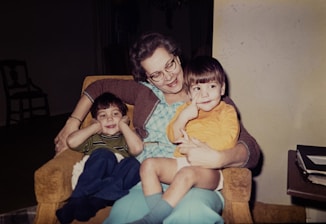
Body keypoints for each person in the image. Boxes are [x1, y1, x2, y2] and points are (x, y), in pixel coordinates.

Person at [54, 32, 261, 223]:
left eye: (170, 64)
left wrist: (219, 158)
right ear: (147, 78)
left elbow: (251, 151)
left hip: (195, 181)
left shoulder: (207, 95)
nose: (168, 77)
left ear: (177, 57)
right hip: (147, 182)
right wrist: (72, 122)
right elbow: (97, 87)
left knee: (192, 216)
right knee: (122, 216)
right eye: (156, 74)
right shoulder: (144, 93)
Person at [131, 56, 240, 224]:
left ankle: (151, 220)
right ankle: (158, 214)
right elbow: (172, 136)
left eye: (212, 86)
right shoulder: (185, 108)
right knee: (148, 165)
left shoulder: (226, 111)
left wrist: (202, 147)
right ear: (189, 92)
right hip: (181, 162)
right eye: (197, 88)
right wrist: (184, 117)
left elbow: (230, 138)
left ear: (222, 88)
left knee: (186, 173)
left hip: (210, 170)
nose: (205, 94)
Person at [56, 92, 143, 223]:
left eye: (115, 114)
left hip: (113, 183)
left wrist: (124, 126)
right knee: (104, 154)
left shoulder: (126, 139)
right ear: (96, 120)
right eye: (103, 115)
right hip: (90, 180)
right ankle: (77, 199)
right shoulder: (94, 139)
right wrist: (94, 126)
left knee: (134, 164)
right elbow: (71, 142)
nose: (109, 119)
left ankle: (96, 202)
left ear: (124, 118)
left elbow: (137, 149)